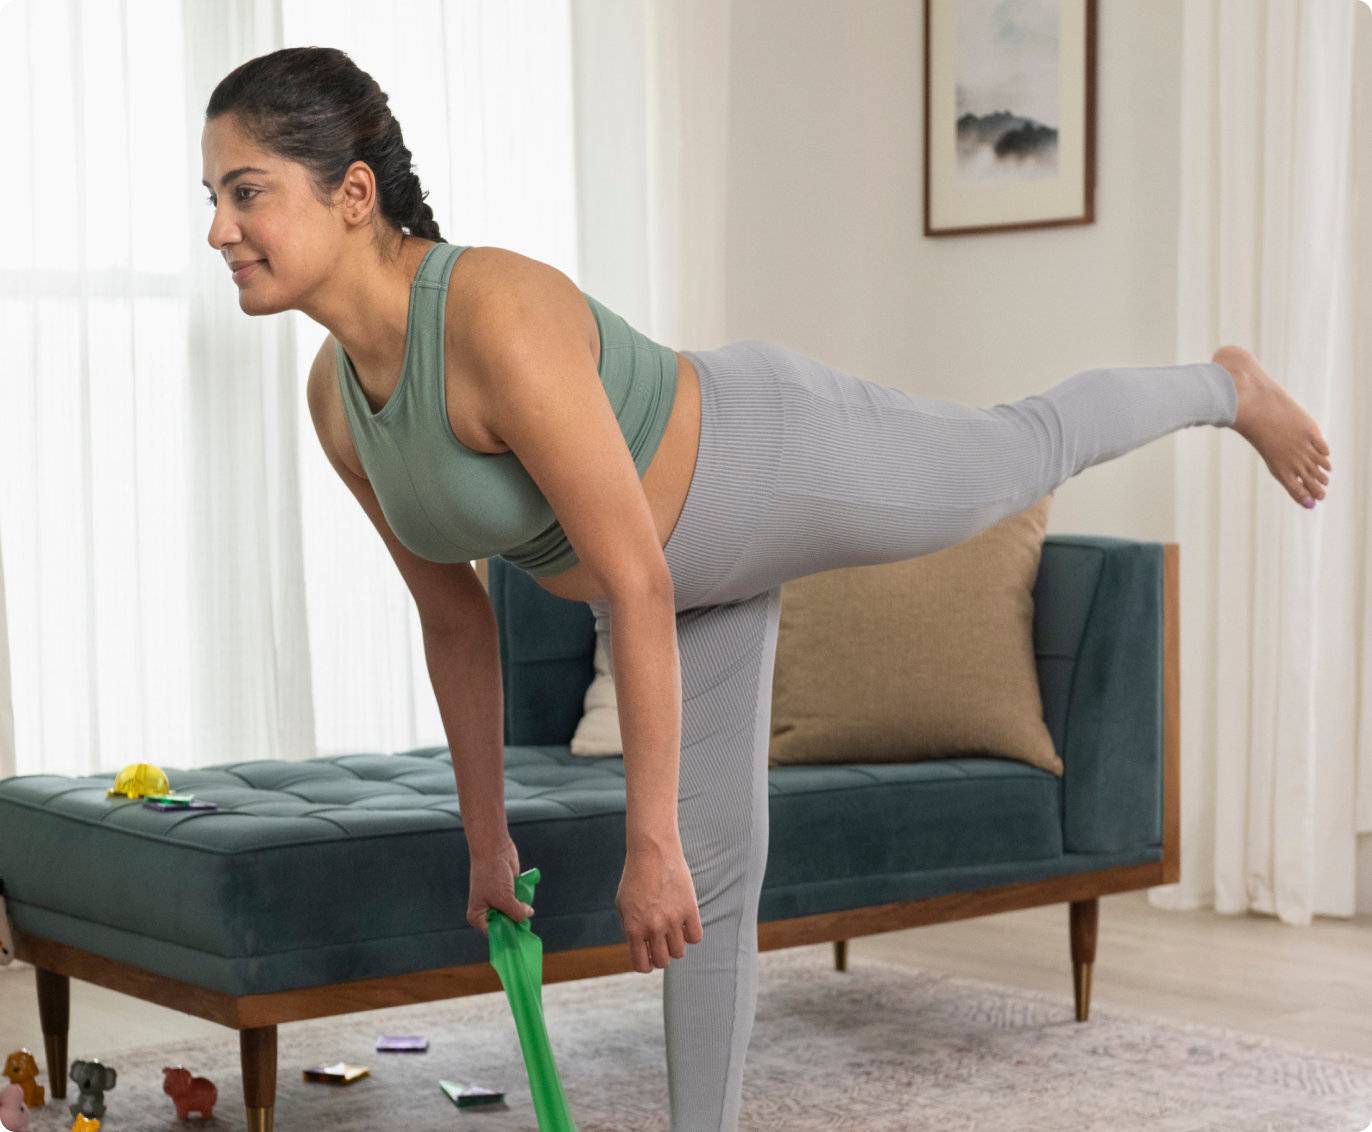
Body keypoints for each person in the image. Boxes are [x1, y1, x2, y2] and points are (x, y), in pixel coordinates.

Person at [202, 47, 1331, 1132]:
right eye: (211, 196)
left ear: (353, 192)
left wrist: (646, 839)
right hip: (686, 588)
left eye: (246, 191)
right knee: (715, 885)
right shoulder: (339, 403)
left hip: (769, 461)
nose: (220, 229)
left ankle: (1223, 387)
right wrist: (487, 837)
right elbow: (453, 617)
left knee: (1019, 450)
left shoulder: (490, 310)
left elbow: (633, 577)